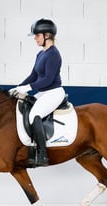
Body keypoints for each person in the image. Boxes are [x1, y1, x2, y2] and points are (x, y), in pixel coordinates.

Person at [9, 18, 65, 166]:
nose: (35, 38)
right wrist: (18, 87)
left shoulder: (53, 54)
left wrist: (28, 88)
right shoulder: (41, 54)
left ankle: (42, 154)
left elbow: (48, 79)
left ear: (47, 35)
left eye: (37, 35)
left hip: (53, 92)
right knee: (25, 108)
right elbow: (33, 75)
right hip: (43, 92)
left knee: (35, 115)